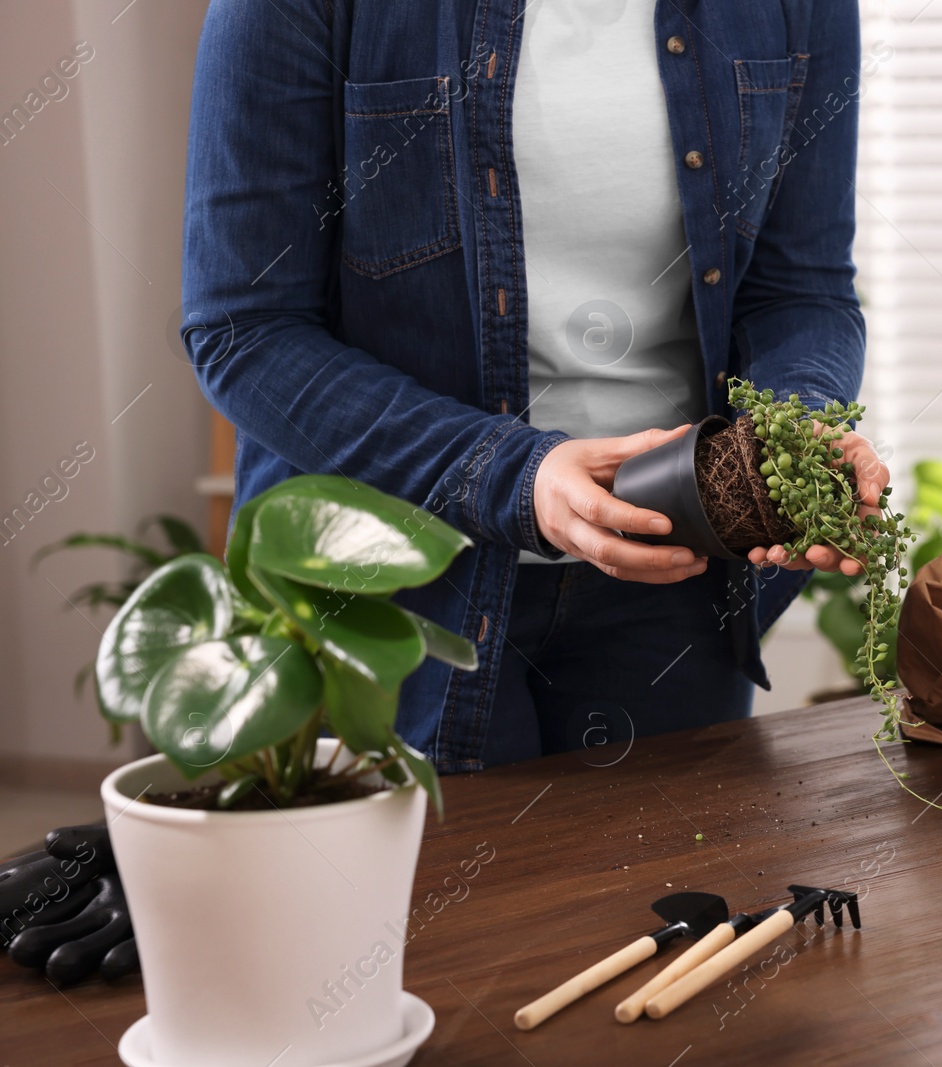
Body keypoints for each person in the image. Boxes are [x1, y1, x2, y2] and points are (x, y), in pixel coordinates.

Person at [181, 0, 884, 771]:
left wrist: (796, 428)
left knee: (675, 889)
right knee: (432, 893)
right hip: (389, 585)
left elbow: (801, 289)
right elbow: (245, 330)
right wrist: (518, 474)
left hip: (674, 586)